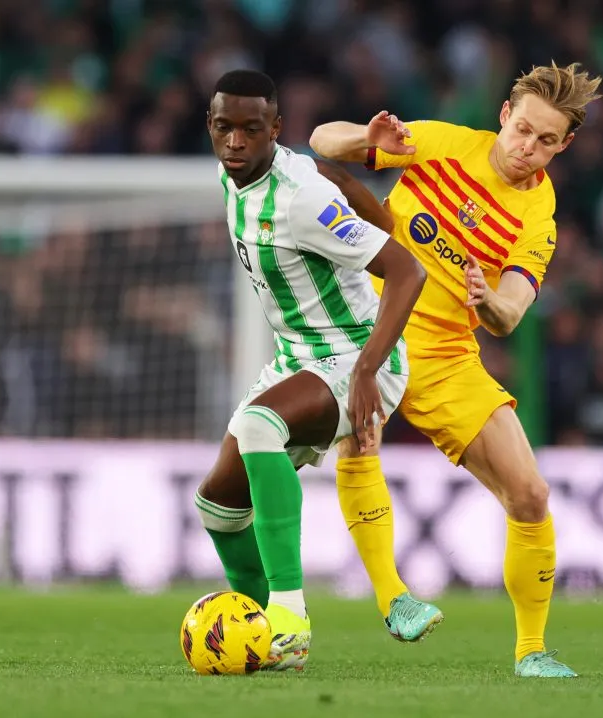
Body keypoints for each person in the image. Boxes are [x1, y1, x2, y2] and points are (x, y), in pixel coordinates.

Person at [309, 61, 602, 678]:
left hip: (446, 355)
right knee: (359, 440)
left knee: (530, 494)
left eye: (547, 141)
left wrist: (487, 299)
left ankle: (531, 652)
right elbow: (318, 143)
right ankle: (394, 599)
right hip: (369, 328)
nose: (529, 149)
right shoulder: (441, 143)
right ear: (504, 115)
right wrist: (368, 138)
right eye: (523, 130)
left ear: (565, 144)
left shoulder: (537, 218)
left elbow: (510, 316)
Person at [194, 69, 436, 671]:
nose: (236, 143)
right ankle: (254, 630)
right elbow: (322, 165)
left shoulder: (301, 202)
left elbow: (408, 272)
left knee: (257, 427)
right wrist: (376, 210)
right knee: (217, 506)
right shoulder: (236, 178)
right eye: (225, 128)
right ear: (211, 126)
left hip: (358, 355)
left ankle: (290, 619)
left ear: (275, 130)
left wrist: (364, 374)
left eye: (252, 130)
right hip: (296, 357)